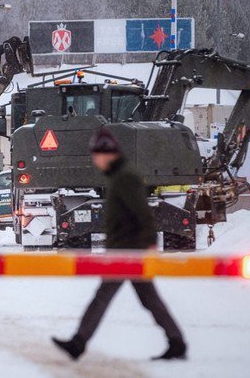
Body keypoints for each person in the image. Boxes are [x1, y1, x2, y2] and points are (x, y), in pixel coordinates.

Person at [52, 128, 187, 361]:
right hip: (126, 249)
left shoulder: (125, 177)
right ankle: (177, 342)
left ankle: (78, 343)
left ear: (107, 154)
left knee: (103, 296)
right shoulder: (119, 176)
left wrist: (150, 244)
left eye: (96, 156)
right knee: (148, 299)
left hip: (128, 251)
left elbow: (143, 212)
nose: (95, 161)